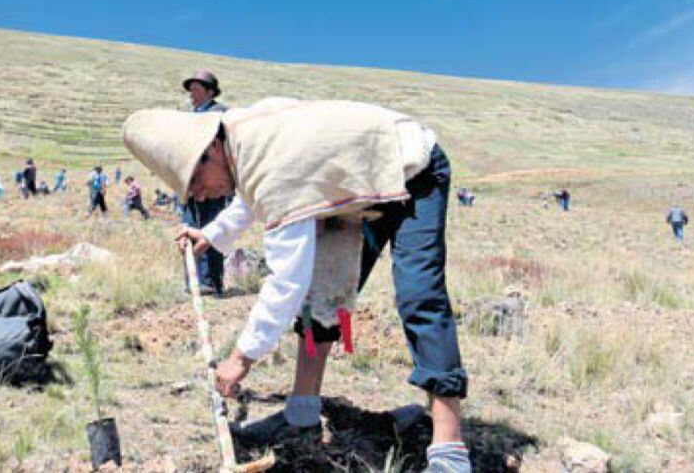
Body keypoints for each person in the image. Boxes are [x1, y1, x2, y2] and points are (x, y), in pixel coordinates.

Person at [124, 97, 470, 472]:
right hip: (351, 188)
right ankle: (302, 411)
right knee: (318, 300)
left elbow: (287, 279)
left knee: (420, 294)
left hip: (412, 170)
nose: (201, 196)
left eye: (195, 183)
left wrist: (242, 358)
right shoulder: (241, 143)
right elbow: (251, 196)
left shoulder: (270, 163)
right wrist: (210, 233)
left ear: (208, 151)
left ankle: (449, 449)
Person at [181, 70, 232, 295]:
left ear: (210, 92)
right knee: (191, 229)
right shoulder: (192, 116)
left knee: (212, 231)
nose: (192, 94)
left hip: (214, 184)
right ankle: (195, 281)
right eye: (190, 90)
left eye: (197, 89)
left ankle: (211, 281)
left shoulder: (221, 115)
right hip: (192, 184)